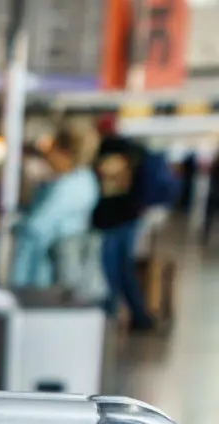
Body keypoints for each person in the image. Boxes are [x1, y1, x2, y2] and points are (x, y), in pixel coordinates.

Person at [12, 125, 100, 291]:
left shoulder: (73, 185)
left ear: (65, 153)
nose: (47, 156)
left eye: (52, 150)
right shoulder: (74, 181)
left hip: (50, 271)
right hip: (50, 268)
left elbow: (37, 225)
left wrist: (15, 222)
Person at [92, 117, 157, 331]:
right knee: (124, 270)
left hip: (110, 221)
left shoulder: (104, 151)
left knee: (109, 272)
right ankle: (140, 317)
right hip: (129, 219)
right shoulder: (134, 151)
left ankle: (108, 317)